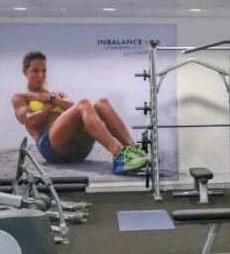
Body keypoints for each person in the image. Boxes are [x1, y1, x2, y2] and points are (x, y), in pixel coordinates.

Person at [12, 51, 149, 174]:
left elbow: (79, 109)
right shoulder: (20, 97)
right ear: (25, 71)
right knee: (83, 103)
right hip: (52, 149)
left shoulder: (53, 95)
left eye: (44, 70)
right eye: (35, 71)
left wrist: (53, 99)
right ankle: (119, 155)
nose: (40, 75)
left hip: (77, 148)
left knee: (102, 104)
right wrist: (49, 103)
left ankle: (134, 152)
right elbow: (30, 121)